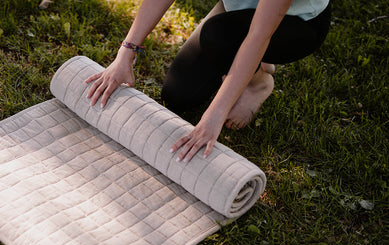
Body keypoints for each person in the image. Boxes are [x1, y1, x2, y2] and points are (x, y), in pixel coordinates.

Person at [85, 0, 331, 162]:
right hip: (237, 6)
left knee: (217, 36)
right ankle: (242, 52)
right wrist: (126, 53)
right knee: (178, 95)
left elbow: (258, 36)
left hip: (296, 22)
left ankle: (258, 82)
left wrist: (215, 115)